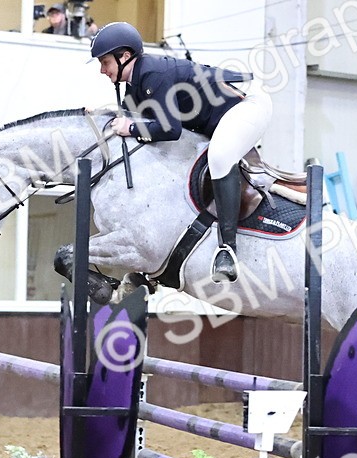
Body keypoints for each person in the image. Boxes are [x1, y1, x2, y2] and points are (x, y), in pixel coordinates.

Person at [89, 21, 272, 283]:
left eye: (105, 62)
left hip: (248, 105)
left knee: (219, 157)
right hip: (217, 119)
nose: (102, 70)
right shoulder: (136, 84)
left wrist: (130, 126)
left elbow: (168, 128)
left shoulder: (152, 73)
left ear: (124, 56)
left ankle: (227, 250)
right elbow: (132, 122)